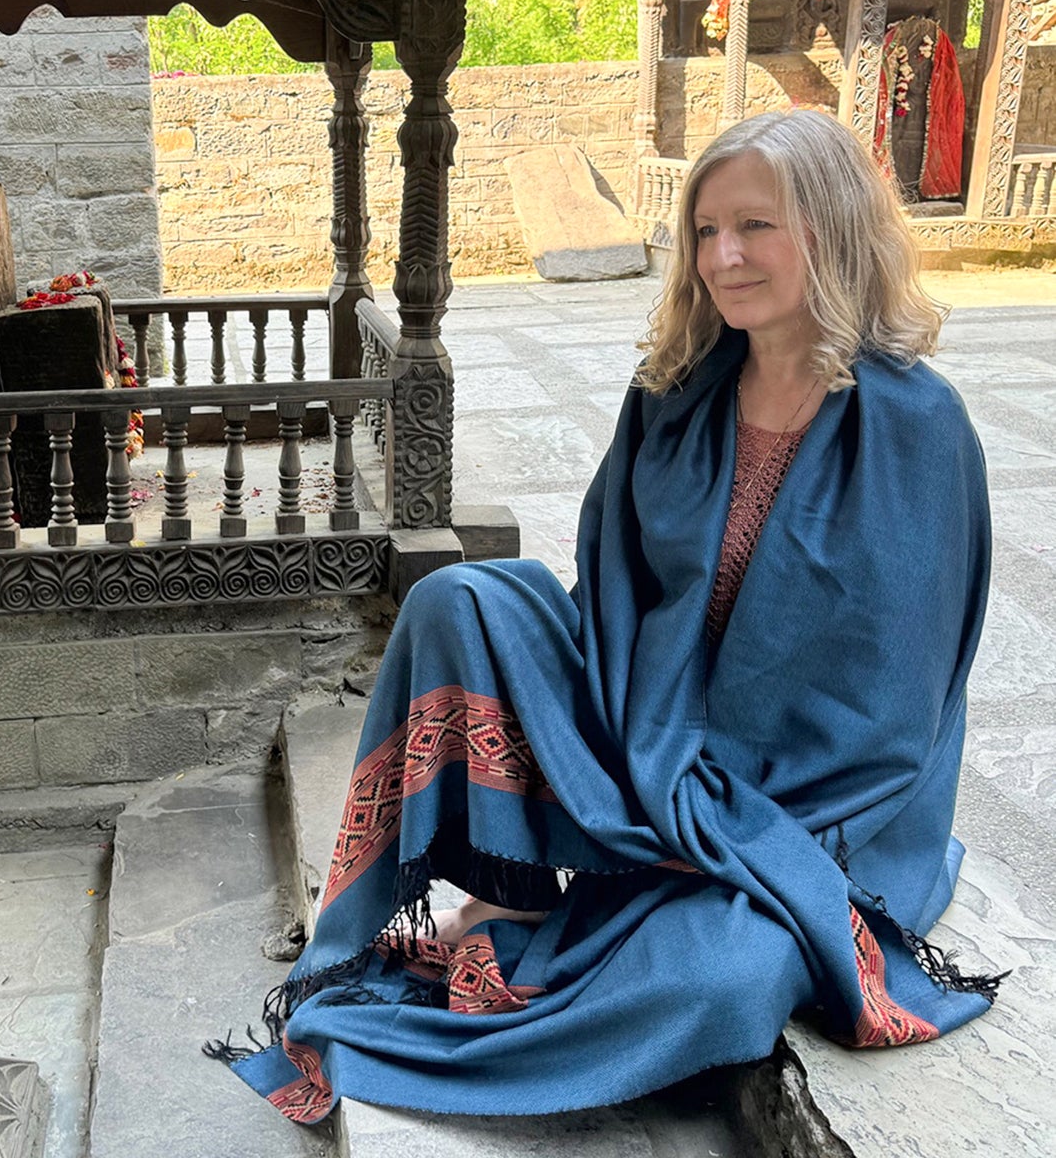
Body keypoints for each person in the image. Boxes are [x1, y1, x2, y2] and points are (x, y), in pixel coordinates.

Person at [213, 108, 1002, 1123]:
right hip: (642, 719)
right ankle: (510, 882)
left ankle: (613, 907)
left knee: (720, 982)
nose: (722, 255)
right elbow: (611, 602)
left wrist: (716, 817)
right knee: (462, 598)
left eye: (755, 226)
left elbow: (897, 714)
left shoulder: (914, 427)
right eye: (704, 229)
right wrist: (637, 747)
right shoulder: (672, 393)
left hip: (798, 795)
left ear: (831, 227)